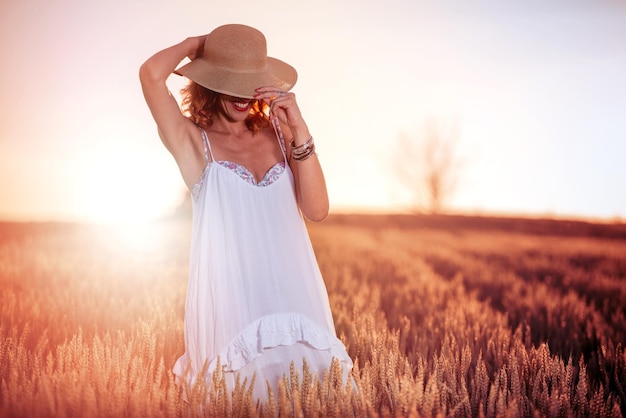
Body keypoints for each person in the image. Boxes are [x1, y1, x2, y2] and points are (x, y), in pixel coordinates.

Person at [139, 24, 353, 401]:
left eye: (249, 80)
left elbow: (317, 210)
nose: (241, 95)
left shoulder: (278, 131)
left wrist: (300, 131)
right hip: (233, 309)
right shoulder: (192, 141)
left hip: (296, 302)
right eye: (229, 80)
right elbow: (151, 75)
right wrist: (197, 47)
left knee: (319, 402)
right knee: (239, 403)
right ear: (208, 81)